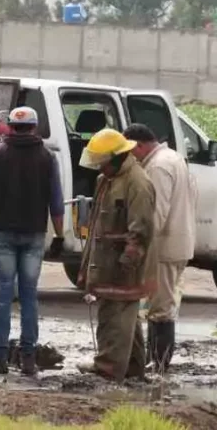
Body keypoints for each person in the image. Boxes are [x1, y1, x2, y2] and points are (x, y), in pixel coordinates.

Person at [0, 106, 65, 376]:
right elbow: (56, 203)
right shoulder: (47, 158)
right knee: (29, 297)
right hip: (35, 235)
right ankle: (27, 360)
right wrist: (59, 235)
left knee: (3, 296)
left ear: (10, 127)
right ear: (34, 128)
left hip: (2, 233)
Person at [76, 127, 156, 382]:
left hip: (124, 264)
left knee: (115, 315)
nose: (100, 168)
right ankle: (133, 367)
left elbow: (141, 229)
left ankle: (108, 369)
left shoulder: (138, 183)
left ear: (118, 157)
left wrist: (129, 259)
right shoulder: (106, 181)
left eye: (103, 163)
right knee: (125, 316)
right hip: (106, 260)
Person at [123, 123, 197, 374]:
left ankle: (159, 363)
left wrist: (140, 244)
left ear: (139, 145)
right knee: (162, 303)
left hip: (164, 246)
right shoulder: (174, 158)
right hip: (179, 241)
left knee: (160, 308)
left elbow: (156, 212)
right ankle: (157, 360)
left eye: (130, 151)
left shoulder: (157, 166)